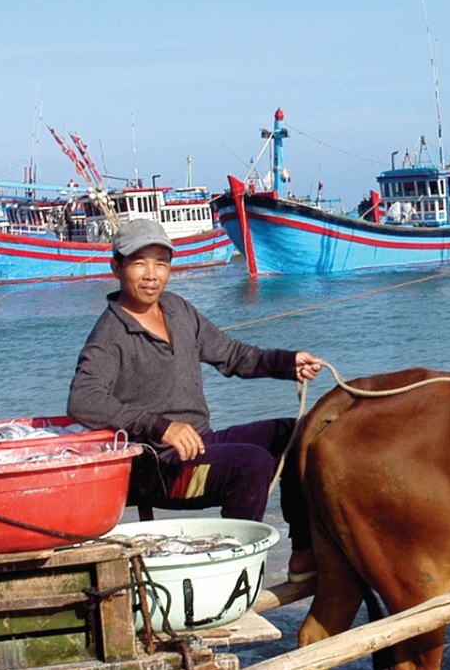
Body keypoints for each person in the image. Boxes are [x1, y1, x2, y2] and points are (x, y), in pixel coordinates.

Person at [68, 218, 323, 581]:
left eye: (161, 262)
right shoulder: (110, 333)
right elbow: (83, 399)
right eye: (139, 262)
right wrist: (161, 427)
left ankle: (302, 553)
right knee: (249, 464)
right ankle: (233, 575)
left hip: (199, 445)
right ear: (116, 267)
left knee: (298, 432)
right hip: (158, 467)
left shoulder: (177, 309)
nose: (151, 274)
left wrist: (286, 362)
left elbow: (233, 355)